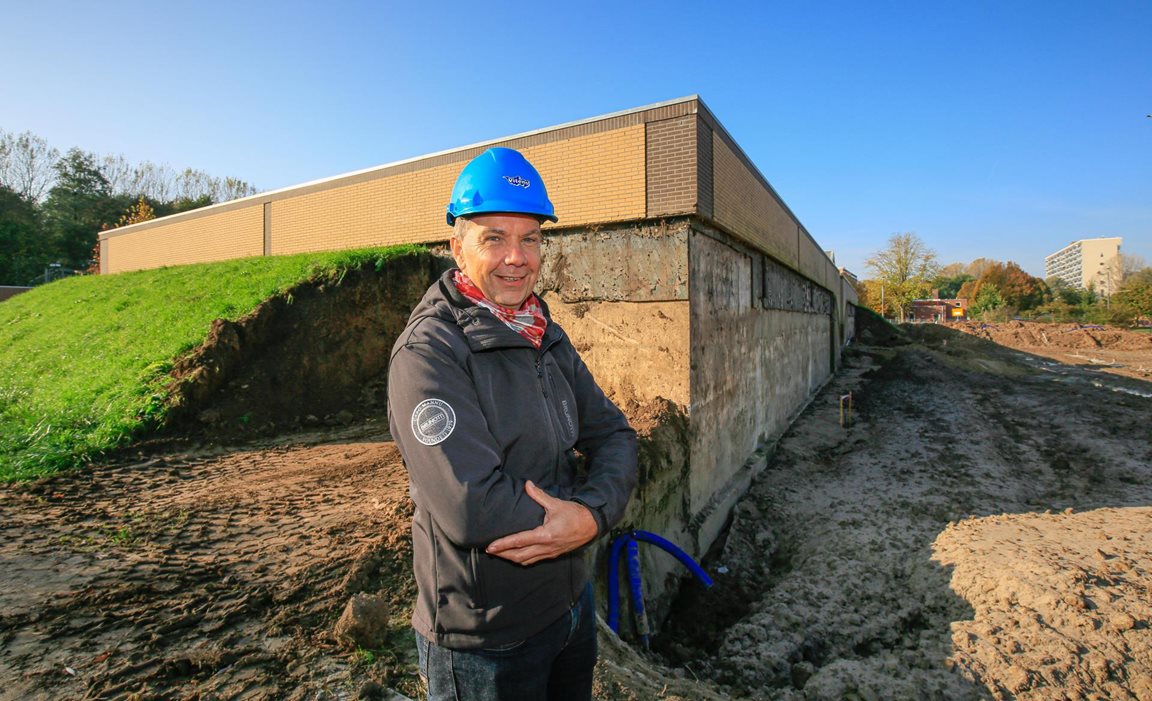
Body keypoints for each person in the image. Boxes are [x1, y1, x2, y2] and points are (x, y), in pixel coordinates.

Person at [387, 147, 638, 700]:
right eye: (494, 237)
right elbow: (471, 502)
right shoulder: (430, 353)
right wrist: (580, 522)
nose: (515, 257)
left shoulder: (542, 331)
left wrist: (592, 515)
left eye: (529, 239)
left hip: (571, 608)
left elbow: (614, 434)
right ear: (457, 247)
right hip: (488, 639)